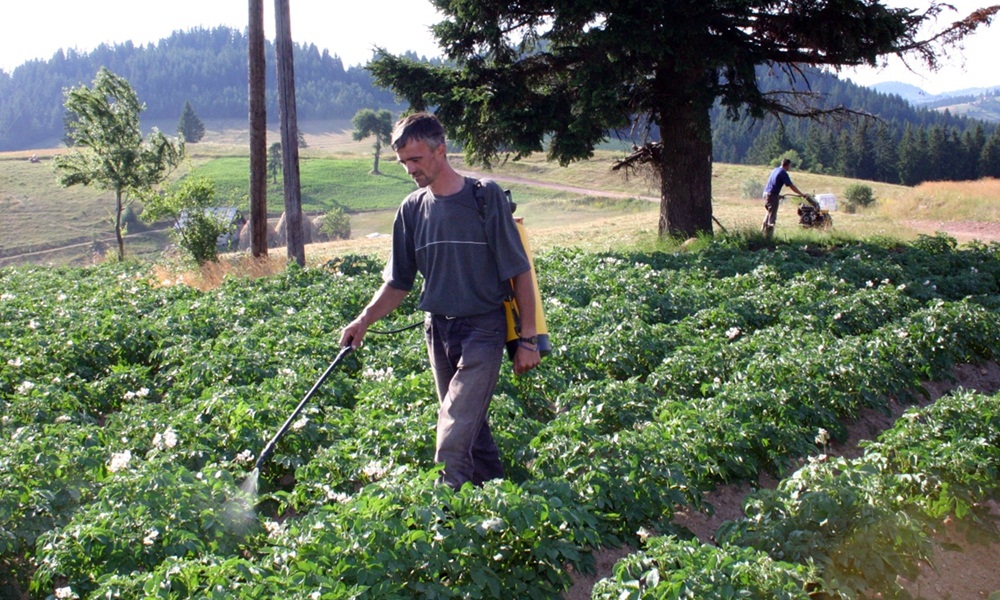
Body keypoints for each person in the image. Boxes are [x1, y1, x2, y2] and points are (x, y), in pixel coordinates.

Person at [339, 112, 541, 489]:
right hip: (438, 331)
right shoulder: (412, 209)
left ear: (441, 151)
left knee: (453, 429)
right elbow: (398, 283)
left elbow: (519, 271)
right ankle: (498, 501)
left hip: (484, 327)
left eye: (416, 159)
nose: (409, 169)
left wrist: (528, 339)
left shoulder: (484, 196)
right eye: (403, 163)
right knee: (470, 425)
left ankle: (446, 514)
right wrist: (363, 320)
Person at [761, 158, 806, 239]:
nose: (790, 167)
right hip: (772, 195)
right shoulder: (783, 172)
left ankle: (761, 234)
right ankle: (768, 238)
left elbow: (773, 184)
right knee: (772, 217)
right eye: (790, 166)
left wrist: (778, 195)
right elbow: (791, 185)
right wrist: (801, 194)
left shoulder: (775, 169)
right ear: (787, 165)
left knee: (768, 214)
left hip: (766, 194)